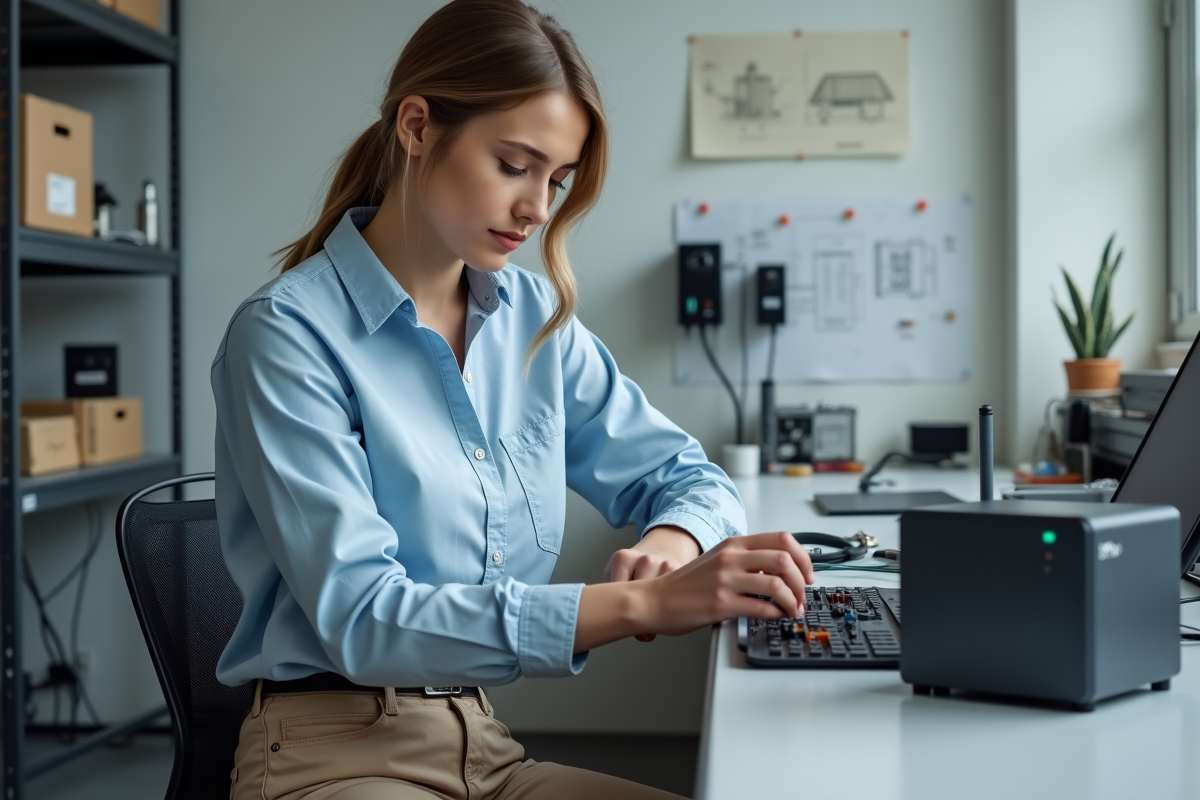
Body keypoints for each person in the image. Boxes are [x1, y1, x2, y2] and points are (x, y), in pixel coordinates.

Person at [211, 1, 814, 798]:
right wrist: (639, 605)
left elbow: (687, 476)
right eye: (514, 164)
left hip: (483, 744)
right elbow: (364, 619)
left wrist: (671, 543)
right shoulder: (286, 336)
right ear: (418, 127)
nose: (537, 208)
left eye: (556, 180)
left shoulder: (535, 321)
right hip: (332, 757)